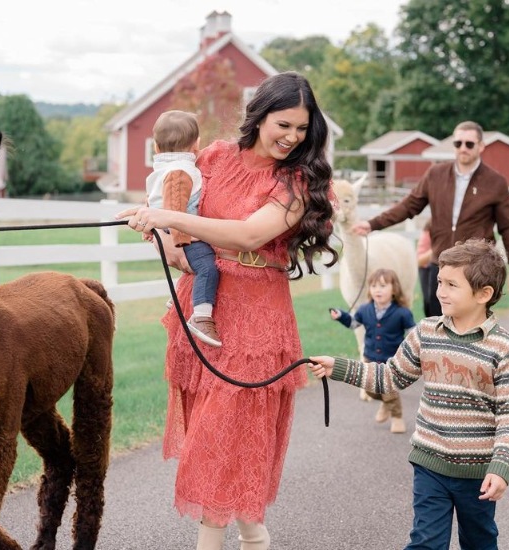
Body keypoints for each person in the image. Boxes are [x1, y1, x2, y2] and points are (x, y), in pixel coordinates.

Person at [116, 72, 337, 550]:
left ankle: (224, 541)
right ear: (259, 117)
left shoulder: (298, 180)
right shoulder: (213, 158)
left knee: (221, 440)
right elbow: (177, 213)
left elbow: (249, 236)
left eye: (302, 128)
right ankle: (255, 537)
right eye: (284, 124)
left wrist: (169, 218)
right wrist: (158, 228)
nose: (292, 137)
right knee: (215, 436)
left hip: (258, 316)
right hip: (205, 306)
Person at [308, 239, 509, 550]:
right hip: (430, 464)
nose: (440, 291)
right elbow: (389, 376)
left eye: (452, 285)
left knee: (479, 542)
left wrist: (501, 466)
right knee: (426, 543)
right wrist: (338, 367)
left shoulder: (504, 348)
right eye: (439, 281)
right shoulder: (425, 333)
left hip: (477, 472)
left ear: (483, 294)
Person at [353, 121, 509, 317]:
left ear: (481, 146)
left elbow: (508, 227)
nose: (463, 148)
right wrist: (372, 224)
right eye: (458, 143)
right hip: (441, 264)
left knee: (470, 326)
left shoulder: (495, 182)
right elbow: (408, 206)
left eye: (469, 144)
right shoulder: (436, 174)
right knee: (436, 322)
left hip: (475, 267)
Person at [146, 110, 222, 347]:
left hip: (171, 230)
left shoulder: (161, 170)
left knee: (196, 268)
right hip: (182, 233)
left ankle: (179, 296)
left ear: (157, 148)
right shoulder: (181, 171)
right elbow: (174, 210)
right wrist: (180, 243)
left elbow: (152, 202)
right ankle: (201, 316)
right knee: (208, 268)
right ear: (196, 144)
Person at [329, 268, 415, 433]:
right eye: (374, 286)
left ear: (394, 289)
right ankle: (385, 403)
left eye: (383, 286)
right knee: (371, 390)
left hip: (391, 361)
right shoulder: (364, 309)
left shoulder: (402, 313)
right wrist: (341, 316)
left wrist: (414, 350)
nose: (377, 289)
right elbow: (354, 324)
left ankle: (397, 418)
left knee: (389, 389)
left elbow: (413, 333)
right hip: (370, 358)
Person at [417, 219, 433, 318]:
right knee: (428, 301)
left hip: (432, 266)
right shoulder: (430, 228)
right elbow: (420, 259)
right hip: (426, 268)